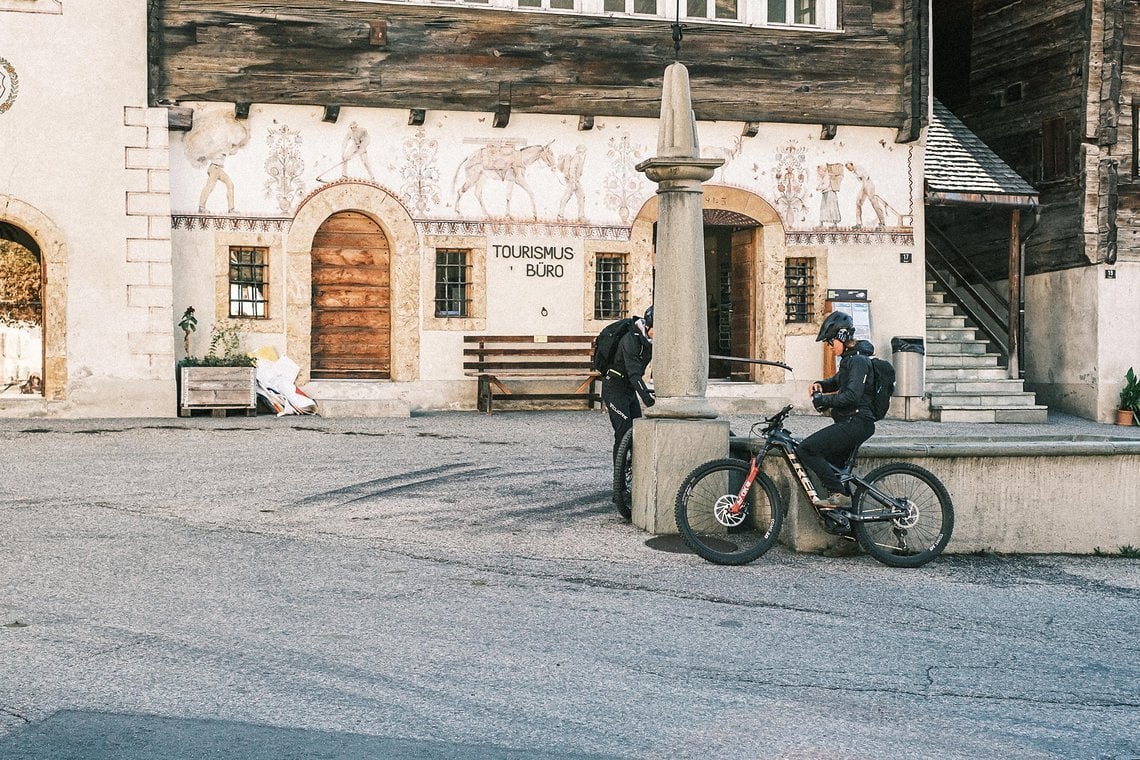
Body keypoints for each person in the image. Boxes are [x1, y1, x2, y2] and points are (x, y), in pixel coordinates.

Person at [799, 310, 876, 510]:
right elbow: (837, 381)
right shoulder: (850, 359)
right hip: (850, 422)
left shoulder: (858, 361)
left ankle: (839, 495)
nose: (829, 347)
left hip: (857, 422)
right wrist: (821, 385)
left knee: (807, 449)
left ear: (841, 337)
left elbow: (852, 395)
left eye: (830, 342)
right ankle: (850, 530)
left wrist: (825, 400)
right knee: (834, 470)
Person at [602, 306, 654, 461]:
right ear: (648, 325)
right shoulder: (630, 340)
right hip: (614, 388)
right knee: (623, 432)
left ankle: (635, 471)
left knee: (636, 432)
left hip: (629, 390)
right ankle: (619, 481)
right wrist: (648, 400)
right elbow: (634, 373)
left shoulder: (647, 339)